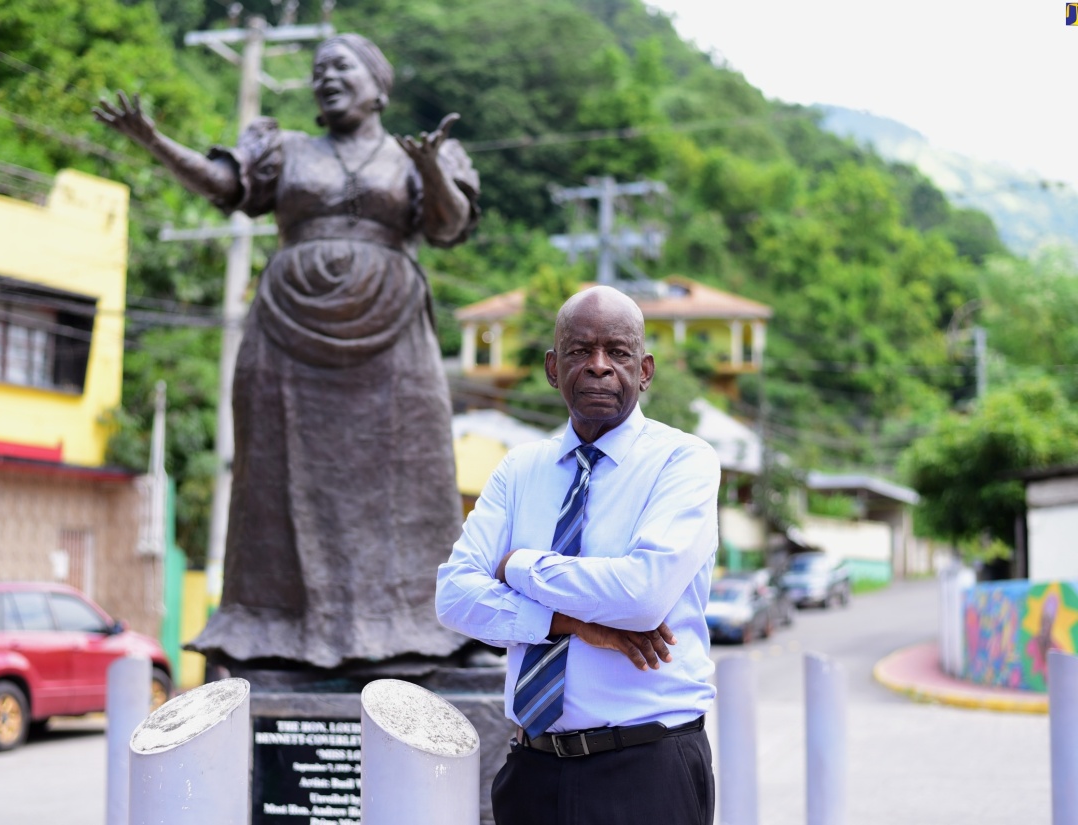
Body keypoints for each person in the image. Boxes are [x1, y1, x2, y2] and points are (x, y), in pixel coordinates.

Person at [94, 34, 478, 669]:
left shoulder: (418, 155)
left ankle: (419, 625)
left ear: (378, 85)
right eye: (317, 69)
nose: (326, 77)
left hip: (393, 331)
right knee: (274, 478)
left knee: (413, 475)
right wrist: (155, 143)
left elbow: (447, 226)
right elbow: (226, 184)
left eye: (342, 66)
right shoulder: (286, 148)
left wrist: (433, 166)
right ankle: (276, 630)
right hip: (287, 333)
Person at [436, 285, 720, 825]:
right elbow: (453, 596)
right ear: (551, 367)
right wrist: (573, 623)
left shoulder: (682, 463)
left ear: (645, 370)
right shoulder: (519, 470)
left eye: (617, 352)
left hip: (646, 769)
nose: (597, 367)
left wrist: (517, 565)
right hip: (531, 771)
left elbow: (642, 595)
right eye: (578, 351)